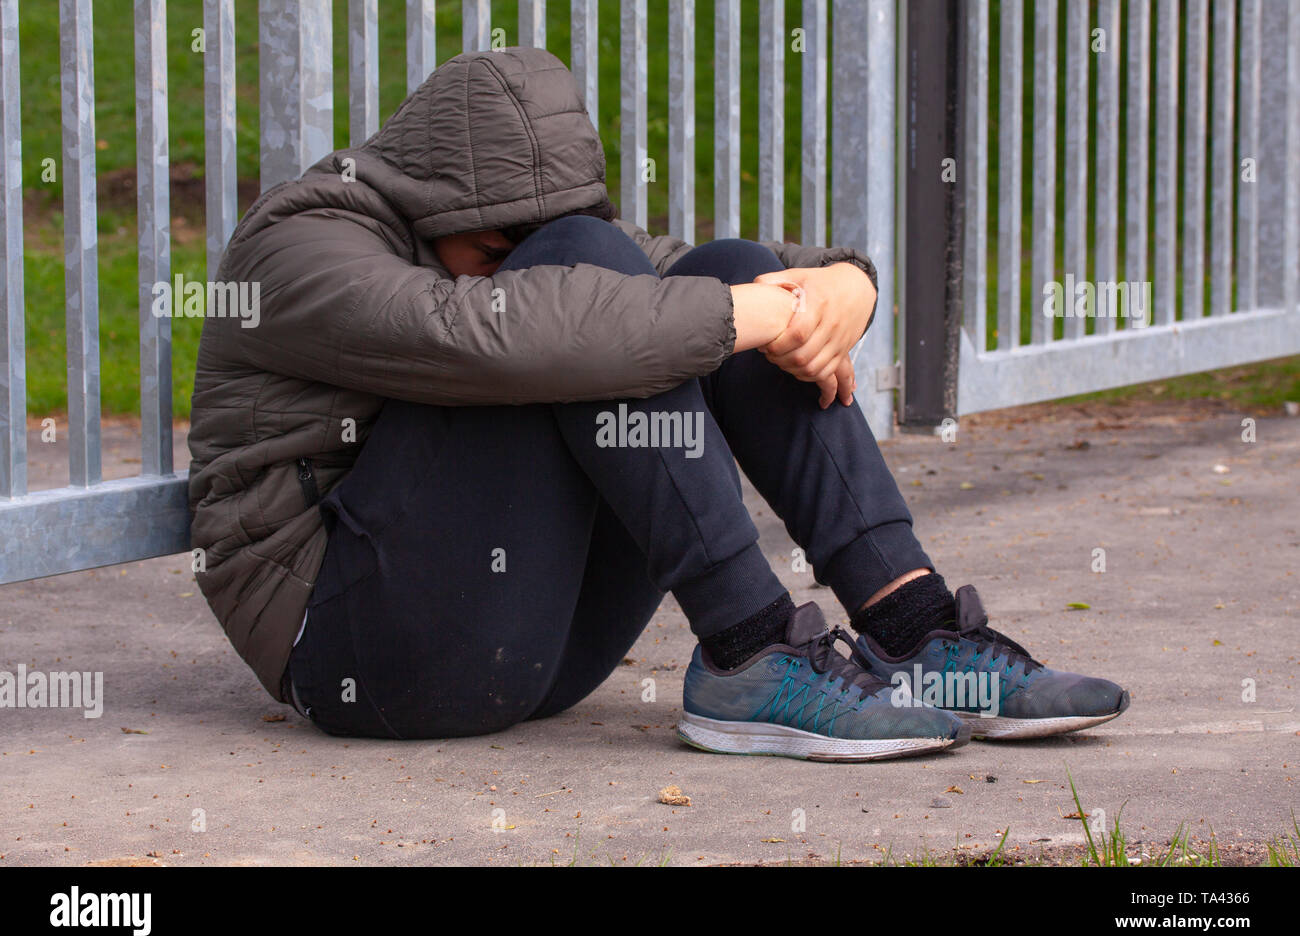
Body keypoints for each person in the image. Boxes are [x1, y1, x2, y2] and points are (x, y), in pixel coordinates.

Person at [188, 47, 1128, 760]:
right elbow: (492, 332)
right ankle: (749, 650)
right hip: (359, 652)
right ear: (435, 212)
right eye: (495, 252)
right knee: (597, 298)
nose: (518, 260)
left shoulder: (533, 222)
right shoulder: (301, 243)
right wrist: (746, 312)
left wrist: (841, 286)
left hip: (537, 652)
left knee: (723, 273)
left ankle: (912, 625)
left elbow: (696, 290)